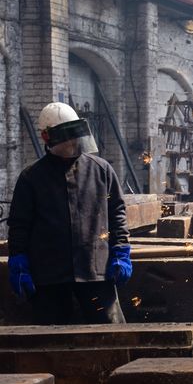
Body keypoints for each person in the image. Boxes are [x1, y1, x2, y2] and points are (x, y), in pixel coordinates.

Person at [6, 102, 132, 324]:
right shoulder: (31, 178)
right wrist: (18, 259)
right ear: (47, 138)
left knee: (111, 335)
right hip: (49, 275)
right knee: (51, 339)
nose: (74, 141)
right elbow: (19, 224)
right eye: (68, 137)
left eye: (76, 135)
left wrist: (121, 251)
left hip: (95, 270)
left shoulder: (101, 170)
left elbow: (117, 214)